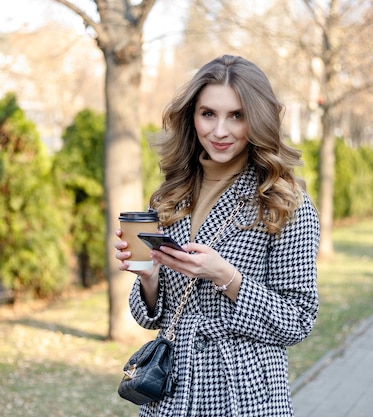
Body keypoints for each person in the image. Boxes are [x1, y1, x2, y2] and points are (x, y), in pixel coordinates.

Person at [115, 55, 320, 417]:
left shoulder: (284, 202)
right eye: (208, 113)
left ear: (257, 119)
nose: (220, 131)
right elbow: (150, 319)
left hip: (245, 394)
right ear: (192, 117)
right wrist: (148, 276)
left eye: (236, 116)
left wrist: (226, 276)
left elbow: (299, 320)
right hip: (173, 393)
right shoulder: (171, 195)